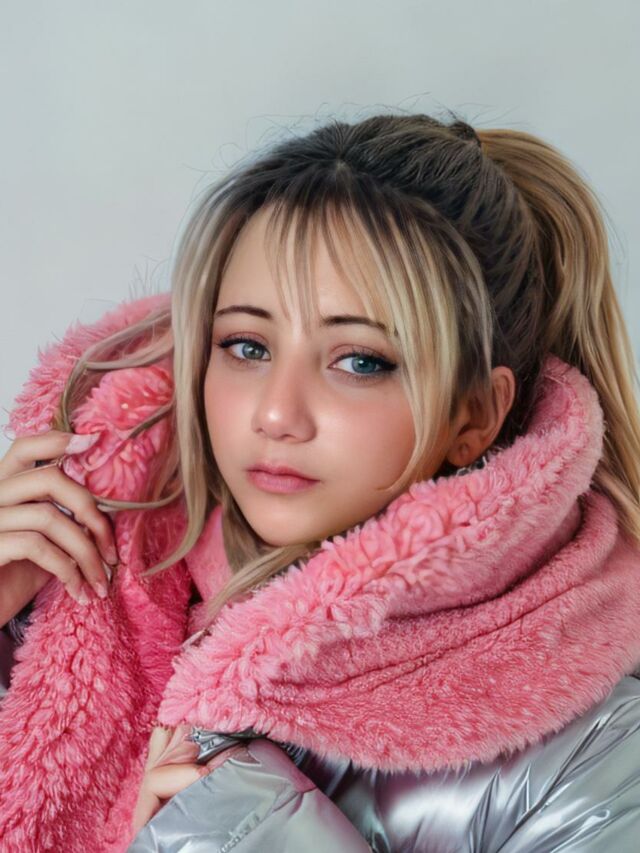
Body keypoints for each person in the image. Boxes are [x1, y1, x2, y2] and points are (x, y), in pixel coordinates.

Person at [1, 112, 640, 852]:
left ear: (471, 415)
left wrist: (248, 829)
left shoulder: (602, 752)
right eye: (247, 346)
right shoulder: (76, 602)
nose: (276, 413)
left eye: (359, 361)